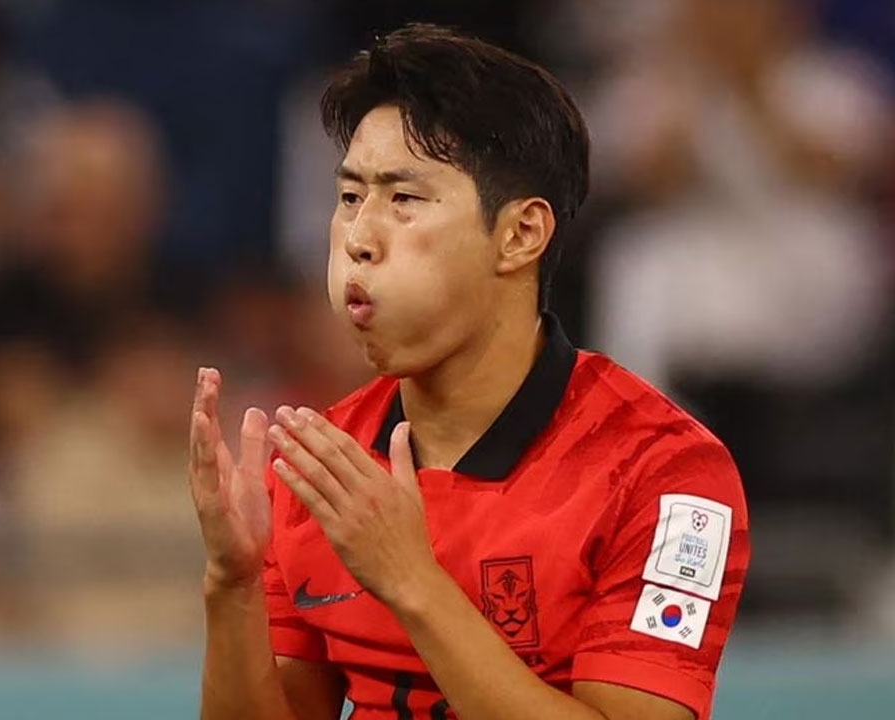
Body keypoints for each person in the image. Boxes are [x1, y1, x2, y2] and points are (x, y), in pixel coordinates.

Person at [188, 24, 749, 720]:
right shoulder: (321, 466)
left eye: (403, 198)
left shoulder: (666, 475)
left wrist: (410, 580)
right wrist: (233, 583)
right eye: (351, 197)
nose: (358, 239)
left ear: (520, 235)